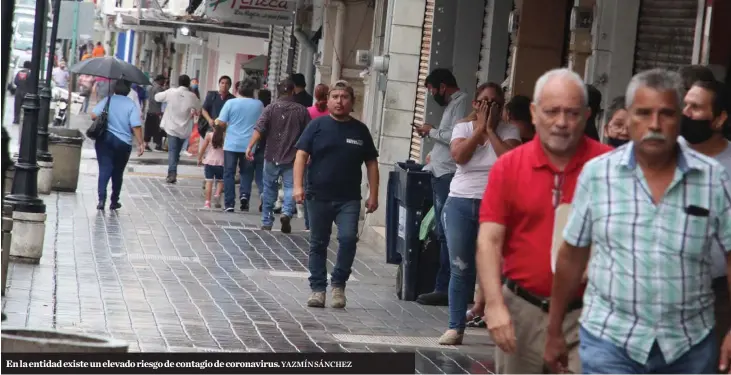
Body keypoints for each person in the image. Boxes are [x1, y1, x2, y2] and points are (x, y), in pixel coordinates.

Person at [545, 69, 731, 374]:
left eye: (666, 114)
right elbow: (571, 255)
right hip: (610, 340)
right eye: (643, 113)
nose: (655, 125)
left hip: (689, 346)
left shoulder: (711, 178)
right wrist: (554, 330)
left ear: (679, 118)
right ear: (628, 118)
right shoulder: (597, 175)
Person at [476, 68, 611, 374]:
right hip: (522, 310)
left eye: (572, 113)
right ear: (535, 113)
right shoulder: (509, 166)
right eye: (552, 112)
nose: (562, 122)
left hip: (588, 313)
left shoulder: (609, 167)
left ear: (588, 115)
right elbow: (489, 240)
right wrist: (494, 304)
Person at [439, 83, 521, 345]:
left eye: (495, 102)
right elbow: (459, 156)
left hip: (496, 206)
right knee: (460, 268)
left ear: (502, 106)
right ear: (475, 104)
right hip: (462, 202)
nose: (488, 107)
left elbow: (508, 162)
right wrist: (479, 130)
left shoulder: (511, 131)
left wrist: (490, 130)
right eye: (484, 101)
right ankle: (455, 327)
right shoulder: (462, 128)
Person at [293, 80, 379, 308]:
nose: (339, 101)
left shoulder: (360, 130)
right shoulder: (317, 126)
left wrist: (374, 194)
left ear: (352, 102)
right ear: (327, 101)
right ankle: (318, 289)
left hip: (348, 198)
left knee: (349, 238)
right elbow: (301, 155)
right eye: (335, 97)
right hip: (318, 195)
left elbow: (371, 163)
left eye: (344, 97)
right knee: (318, 243)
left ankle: (339, 284)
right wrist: (298, 187)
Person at [679, 79, 731, 359]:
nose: (686, 113)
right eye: (685, 104)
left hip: (718, 297)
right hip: (664, 292)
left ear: (720, 118)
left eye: (696, 107)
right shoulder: (661, 153)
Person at [415, 68, 470, 307]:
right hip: (439, 171)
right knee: (441, 232)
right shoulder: (452, 104)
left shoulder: (462, 102)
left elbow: (456, 137)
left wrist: (431, 131)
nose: (432, 95)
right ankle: (444, 285)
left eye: (432, 90)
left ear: (443, 86)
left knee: (447, 233)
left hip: (448, 174)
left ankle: (445, 286)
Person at [246, 79, 310, 232]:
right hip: (293, 156)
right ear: (293, 91)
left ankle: (267, 220)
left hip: (271, 154)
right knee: (290, 186)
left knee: (269, 188)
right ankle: (287, 212)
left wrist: (250, 146)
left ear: (278, 91)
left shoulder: (270, 108)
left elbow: (259, 129)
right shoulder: (301, 110)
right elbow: (309, 133)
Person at [90, 80, 145, 210]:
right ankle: (114, 201)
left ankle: (101, 200)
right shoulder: (131, 105)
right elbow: (136, 125)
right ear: (127, 91)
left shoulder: (107, 100)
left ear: (115, 89)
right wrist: (140, 143)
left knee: (104, 169)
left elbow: (93, 115)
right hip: (123, 143)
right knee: (118, 172)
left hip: (104, 140)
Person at [215, 78, 263, 212]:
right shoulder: (258, 105)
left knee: (229, 173)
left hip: (231, 144)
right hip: (250, 144)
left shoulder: (230, 103)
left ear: (238, 90)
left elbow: (221, 122)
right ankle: (244, 197)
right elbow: (262, 123)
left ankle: (229, 203)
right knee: (246, 173)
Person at [155, 74, 202, 184]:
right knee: (176, 151)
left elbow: (157, 97)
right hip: (184, 128)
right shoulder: (192, 96)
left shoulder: (171, 92)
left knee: (173, 151)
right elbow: (199, 108)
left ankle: (172, 173)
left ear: (178, 82)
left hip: (171, 127)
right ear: (188, 83)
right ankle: (173, 171)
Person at [198, 124, 225, 209]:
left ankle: (207, 203)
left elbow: (203, 148)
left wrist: (199, 158)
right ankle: (217, 194)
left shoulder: (209, 135)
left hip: (209, 162)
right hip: (221, 162)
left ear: (214, 127)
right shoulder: (225, 137)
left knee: (209, 182)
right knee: (221, 181)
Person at [200, 76, 234, 141]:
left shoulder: (232, 99)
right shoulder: (212, 95)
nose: (224, 85)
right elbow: (204, 110)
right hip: (211, 127)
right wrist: (209, 119)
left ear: (230, 86)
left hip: (225, 130)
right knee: (207, 148)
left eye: (227, 83)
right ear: (219, 84)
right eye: (222, 83)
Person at [144, 75, 166, 151]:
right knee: (158, 129)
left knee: (148, 129)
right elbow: (161, 100)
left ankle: (146, 144)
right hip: (157, 112)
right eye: (163, 80)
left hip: (150, 110)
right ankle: (158, 145)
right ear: (160, 80)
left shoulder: (150, 87)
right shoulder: (159, 89)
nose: (164, 82)